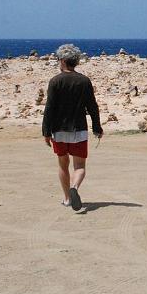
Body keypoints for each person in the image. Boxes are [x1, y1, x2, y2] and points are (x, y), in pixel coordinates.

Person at [42, 44, 103, 213]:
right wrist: (97, 127)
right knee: (80, 167)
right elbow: (92, 106)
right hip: (79, 130)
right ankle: (74, 187)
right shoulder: (84, 81)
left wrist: (46, 132)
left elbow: (49, 108)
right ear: (76, 61)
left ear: (62, 60)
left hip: (59, 130)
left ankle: (67, 199)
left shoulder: (55, 81)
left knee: (63, 165)